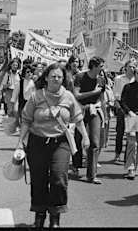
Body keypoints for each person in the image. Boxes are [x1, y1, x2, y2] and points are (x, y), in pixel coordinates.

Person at [16, 62, 90, 228]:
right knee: (39, 179)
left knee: (59, 179)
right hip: (37, 142)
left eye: (59, 77)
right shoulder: (37, 96)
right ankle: (39, 215)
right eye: (53, 76)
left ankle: (55, 218)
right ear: (46, 78)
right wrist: (20, 142)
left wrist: (85, 137)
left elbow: (78, 118)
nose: (56, 79)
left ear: (63, 79)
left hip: (60, 143)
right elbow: (26, 119)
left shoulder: (68, 96)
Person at [72, 56, 107, 184]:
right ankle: (76, 165)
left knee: (94, 141)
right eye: (101, 66)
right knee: (78, 138)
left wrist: (105, 115)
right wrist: (93, 92)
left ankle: (91, 175)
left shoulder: (102, 79)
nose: (103, 69)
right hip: (79, 110)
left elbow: (102, 98)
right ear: (94, 66)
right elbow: (76, 95)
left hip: (94, 111)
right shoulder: (80, 77)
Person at [112, 59, 136, 162]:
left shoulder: (137, 79)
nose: (132, 69)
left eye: (134, 67)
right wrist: (118, 107)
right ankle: (117, 153)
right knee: (120, 132)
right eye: (130, 66)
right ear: (125, 67)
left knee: (131, 134)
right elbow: (115, 94)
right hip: (121, 107)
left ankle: (128, 156)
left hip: (132, 109)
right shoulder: (119, 79)